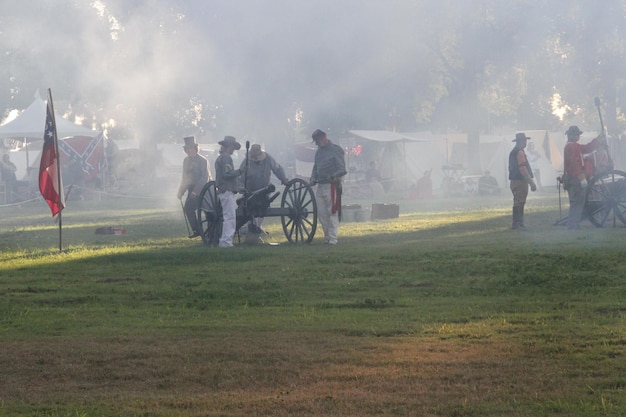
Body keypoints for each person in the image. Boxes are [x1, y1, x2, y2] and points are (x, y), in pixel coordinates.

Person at [238, 143, 289, 243]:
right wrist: (242, 188)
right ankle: (253, 231)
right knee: (251, 212)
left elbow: (277, 168)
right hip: (250, 192)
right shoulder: (246, 162)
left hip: (264, 190)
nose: (255, 159)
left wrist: (283, 179)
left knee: (262, 211)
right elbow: (240, 177)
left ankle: (256, 230)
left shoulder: (268, 159)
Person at [563, 125, 605, 230]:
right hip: (575, 177)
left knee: (578, 201)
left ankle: (574, 223)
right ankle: (572, 224)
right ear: (571, 135)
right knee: (577, 202)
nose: (578, 136)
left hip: (574, 177)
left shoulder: (574, 145)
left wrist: (598, 139)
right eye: (576, 134)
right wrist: (581, 177)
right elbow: (575, 164)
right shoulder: (571, 146)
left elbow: (587, 148)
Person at [310, 129, 346, 245]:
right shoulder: (318, 152)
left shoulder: (336, 150)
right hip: (321, 185)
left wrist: (333, 176)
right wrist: (313, 178)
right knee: (322, 214)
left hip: (332, 186)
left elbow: (342, 169)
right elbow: (316, 168)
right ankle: (327, 237)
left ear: (323, 138)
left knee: (332, 212)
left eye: (317, 141)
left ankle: (333, 239)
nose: (316, 143)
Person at [177, 136, 210, 238]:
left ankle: (210, 231)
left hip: (203, 189)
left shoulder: (202, 160)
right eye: (187, 149)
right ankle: (197, 230)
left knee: (208, 212)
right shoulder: (186, 161)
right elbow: (185, 178)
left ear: (196, 148)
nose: (189, 150)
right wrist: (181, 191)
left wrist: (196, 191)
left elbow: (204, 178)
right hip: (192, 190)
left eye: (191, 148)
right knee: (188, 208)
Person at [215, 135, 244, 247]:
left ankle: (225, 241)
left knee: (229, 216)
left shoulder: (221, 157)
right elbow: (227, 174)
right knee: (230, 217)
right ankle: (226, 242)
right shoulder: (226, 157)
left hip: (224, 190)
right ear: (229, 146)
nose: (233, 150)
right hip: (227, 190)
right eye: (232, 147)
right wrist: (240, 171)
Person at [508, 132, 537, 229]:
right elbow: (523, 168)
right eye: (525, 140)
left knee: (519, 201)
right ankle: (517, 223)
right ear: (521, 141)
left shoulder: (514, 151)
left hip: (515, 180)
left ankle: (518, 223)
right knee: (519, 202)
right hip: (520, 180)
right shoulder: (519, 152)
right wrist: (531, 182)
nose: (526, 142)